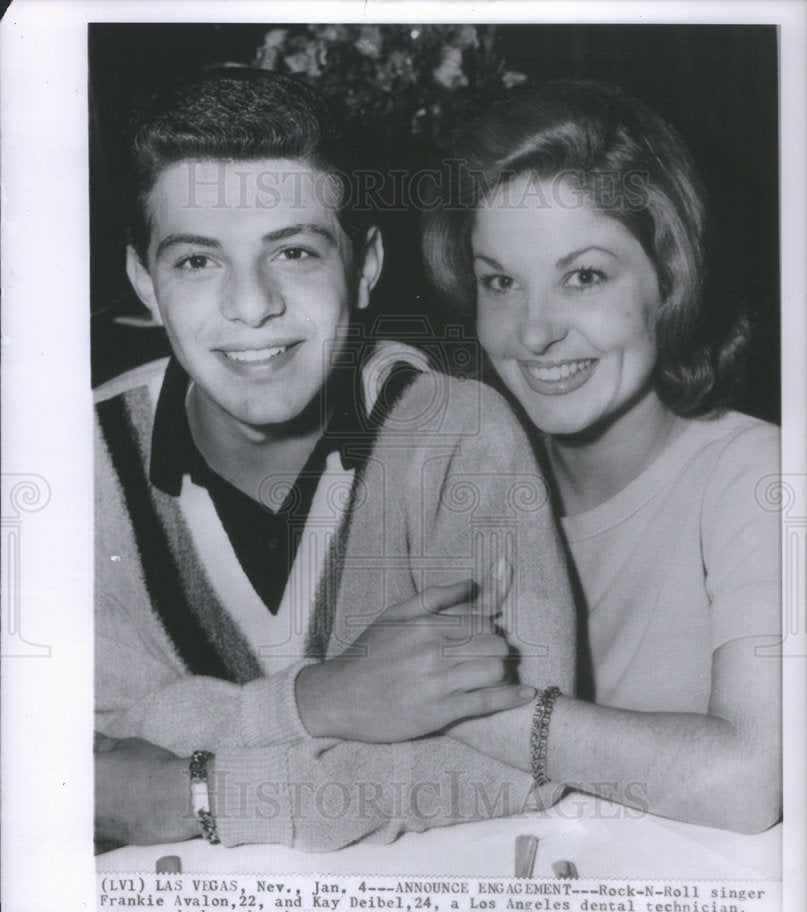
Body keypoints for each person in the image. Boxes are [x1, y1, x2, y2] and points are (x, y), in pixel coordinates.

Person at [94, 67, 576, 852]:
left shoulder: (458, 433)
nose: (252, 305)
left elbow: (523, 756)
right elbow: (63, 763)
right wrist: (315, 701)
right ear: (144, 283)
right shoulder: (81, 459)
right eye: (197, 262)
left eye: (293, 252)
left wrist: (194, 793)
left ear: (363, 268)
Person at [421, 80, 781, 834]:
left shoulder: (759, 477)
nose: (534, 332)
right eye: (500, 282)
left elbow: (751, 783)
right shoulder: (461, 486)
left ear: (670, 280)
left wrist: (452, 708)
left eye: (583, 276)